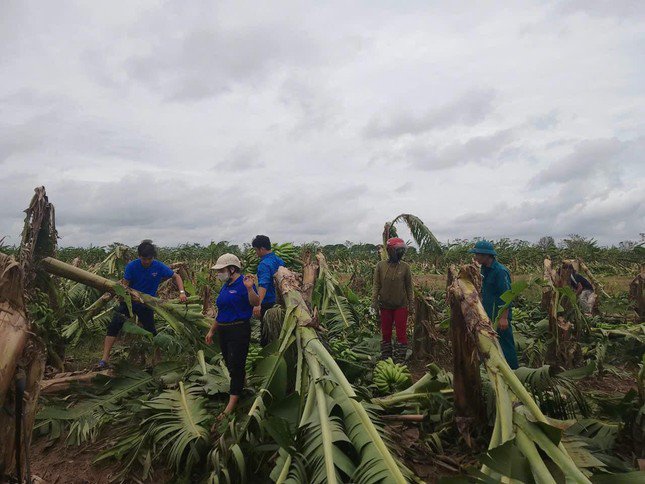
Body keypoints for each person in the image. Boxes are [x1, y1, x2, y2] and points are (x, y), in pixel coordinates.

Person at [99, 240, 187, 368]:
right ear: (139, 256)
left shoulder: (158, 266)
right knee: (114, 325)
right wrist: (122, 295)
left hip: (147, 304)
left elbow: (176, 276)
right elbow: (125, 285)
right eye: (144, 258)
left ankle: (157, 360)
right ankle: (104, 359)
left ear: (153, 257)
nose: (146, 261)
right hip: (130, 302)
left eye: (149, 259)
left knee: (151, 332)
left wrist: (182, 292)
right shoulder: (132, 267)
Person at [205, 254, 259, 419]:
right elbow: (222, 312)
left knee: (236, 365)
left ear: (232, 269)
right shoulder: (226, 286)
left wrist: (250, 288)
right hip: (224, 330)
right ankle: (241, 387)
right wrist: (212, 330)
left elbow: (255, 303)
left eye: (221, 270)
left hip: (239, 329)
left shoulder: (244, 283)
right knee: (229, 362)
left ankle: (231, 405)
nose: (219, 273)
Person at [469, 240, 519, 369]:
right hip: (487, 314)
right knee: (492, 343)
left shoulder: (500, 271)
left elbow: (507, 295)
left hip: (499, 316)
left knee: (505, 344)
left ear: (487, 256)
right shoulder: (484, 269)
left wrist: (503, 317)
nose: (476, 257)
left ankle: (513, 370)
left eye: (478, 254)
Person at [372, 237, 414, 363]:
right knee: (386, 332)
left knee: (401, 332)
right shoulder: (380, 266)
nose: (401, 253)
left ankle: (400, 358)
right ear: (390, 251)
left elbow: (409, 287)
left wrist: (411, 304)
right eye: (398, 250)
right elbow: (376, 285)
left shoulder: (405, 267)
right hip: (385, 305)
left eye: (402, 251)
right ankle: (386, 356)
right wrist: (373, 302)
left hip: (400, 305)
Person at [251, 235, 285, 346]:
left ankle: (265, 356)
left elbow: (264, 284)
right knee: (279, 331)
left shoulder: (264, 264)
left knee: (266, 334)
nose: (256, 253)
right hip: (280, 302)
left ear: (262, 249)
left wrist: (258, 304)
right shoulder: (279, 261)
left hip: (267, 304)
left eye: (256, 250)